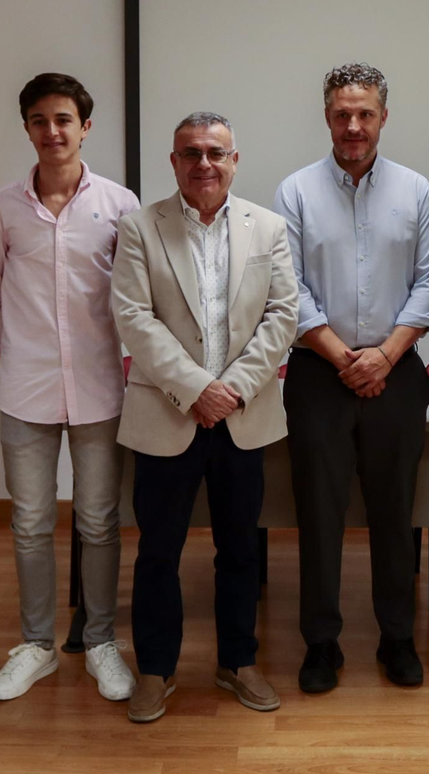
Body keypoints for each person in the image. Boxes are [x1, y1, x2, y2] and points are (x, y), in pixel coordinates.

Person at [111, 112, 298, 724]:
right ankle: (156, 671)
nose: (204, 164)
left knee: (240, 549)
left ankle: (237, 662)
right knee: (158, 553)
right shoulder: (141, 227)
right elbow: (134, 317)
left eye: (216, 152)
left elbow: (283, 316)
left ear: (235, 160)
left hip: (242, 417)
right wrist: (196, 389)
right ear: (173, 162)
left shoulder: (268, 227)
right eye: (190, 153)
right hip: (168, 414)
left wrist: (232, 390)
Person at [273, 63, 429, 694]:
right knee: (319, 512)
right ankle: (322, 643)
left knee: (394, 510)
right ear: (327, 117)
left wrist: (385, 356)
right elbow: (286, 289)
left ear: (383, 118)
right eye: (342, 113)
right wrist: (345, 357)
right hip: (320, 372)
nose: (353, 125)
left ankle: (397, 637)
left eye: (365, 113)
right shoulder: (294, 192)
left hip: (395, 369)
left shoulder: (416, 191)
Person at [0, 73, 139, 703]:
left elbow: (133, 297)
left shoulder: (119, 205)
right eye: (40, 120)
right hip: (26, 388)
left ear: (85, 127)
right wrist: (18, 349)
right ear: (27, 128)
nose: (52, 131)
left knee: (99, 521)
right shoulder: (3, 207)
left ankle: (99, 642)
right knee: (30, 521)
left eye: (64, 119)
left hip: (100, 388)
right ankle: (37, 645)